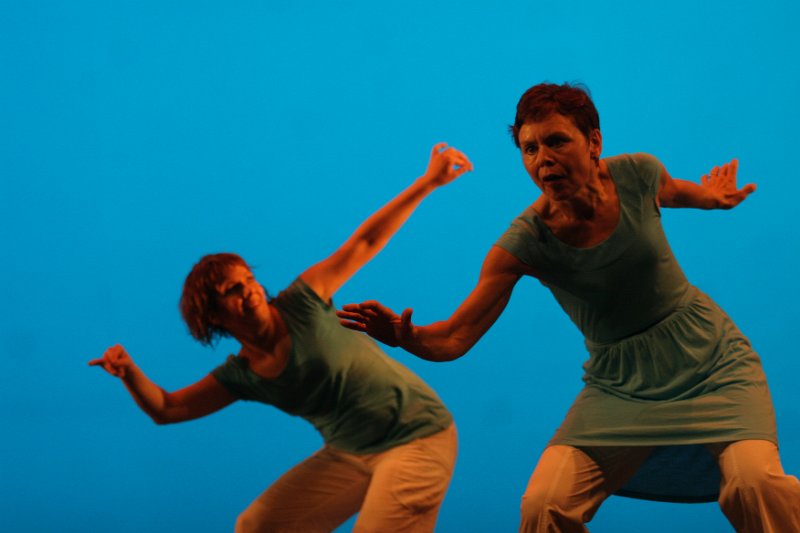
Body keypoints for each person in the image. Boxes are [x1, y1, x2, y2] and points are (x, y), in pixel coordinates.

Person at [337, 83, 800, 532]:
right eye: (530, 149)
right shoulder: (524, 244)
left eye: (556, 141)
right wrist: (407, 337)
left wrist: (715, 198)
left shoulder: (637, 173)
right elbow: (455, 337)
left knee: (755, 484)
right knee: (545, 505)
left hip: (711, 364)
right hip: (621, 386)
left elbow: (679, 192)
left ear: (594, 142)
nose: (543, 159)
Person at [89, 143, 472, 533]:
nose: (249, 290)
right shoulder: (242, 375)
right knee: (257, 526)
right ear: (214, 315)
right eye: (232, 290)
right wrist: (129, 373)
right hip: (353, 454)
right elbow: (168, 409)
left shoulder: (303, 302)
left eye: (249, 279)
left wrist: (428, 182)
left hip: (419, 437)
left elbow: (364, 242)